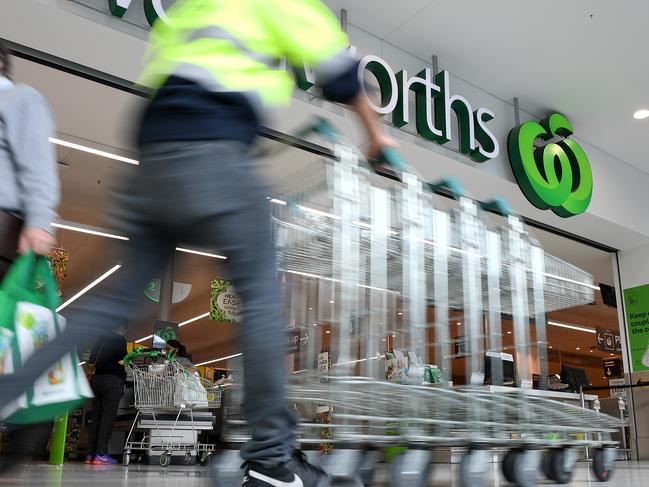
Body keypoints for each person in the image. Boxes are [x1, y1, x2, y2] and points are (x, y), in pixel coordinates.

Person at [0, 2, 395, 486]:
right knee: (263, 297)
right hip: (216, 144)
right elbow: (340, 74)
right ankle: (273, 460)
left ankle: (9, 392)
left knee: (116, 298)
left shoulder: (194, 9)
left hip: (154, 152)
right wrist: (376, 137)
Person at [0, 39, 58, 469]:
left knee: (11, 340)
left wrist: (39, 221)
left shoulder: (19, 98)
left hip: (5, 229)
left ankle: (28, 423)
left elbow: (37, 162)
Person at [85, 327, 127, 465]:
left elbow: (91, 360)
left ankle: (90, 454)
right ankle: (101, 454)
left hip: (97, 379)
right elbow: (121, 360)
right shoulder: (119, 340)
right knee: (107, 417)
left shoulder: (99, 340)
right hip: (113, 379)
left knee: (96, 417)